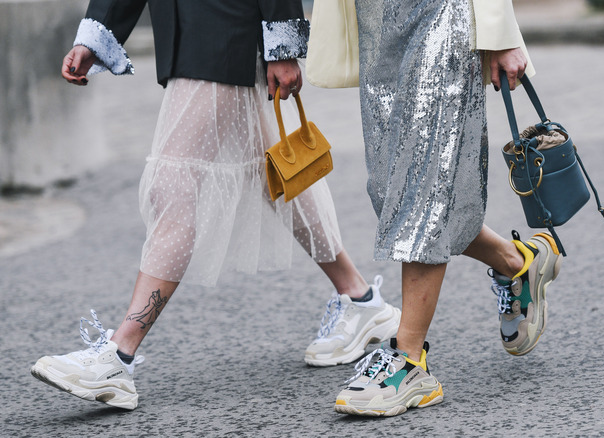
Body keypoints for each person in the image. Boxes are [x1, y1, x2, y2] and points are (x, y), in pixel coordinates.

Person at [30, 0, 401, 411]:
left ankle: (118, 356)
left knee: (172, 184)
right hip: (194, 35)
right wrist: (97, 32)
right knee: (274, 172)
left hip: (225, 28)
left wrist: (282, 44)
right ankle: (361, 299)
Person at [332, 0, 563, 416]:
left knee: (422, 188)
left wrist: (502, 32)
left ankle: (409, 361)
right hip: (376, 19)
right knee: (393, 193)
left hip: (440, 12)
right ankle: (519, 263)